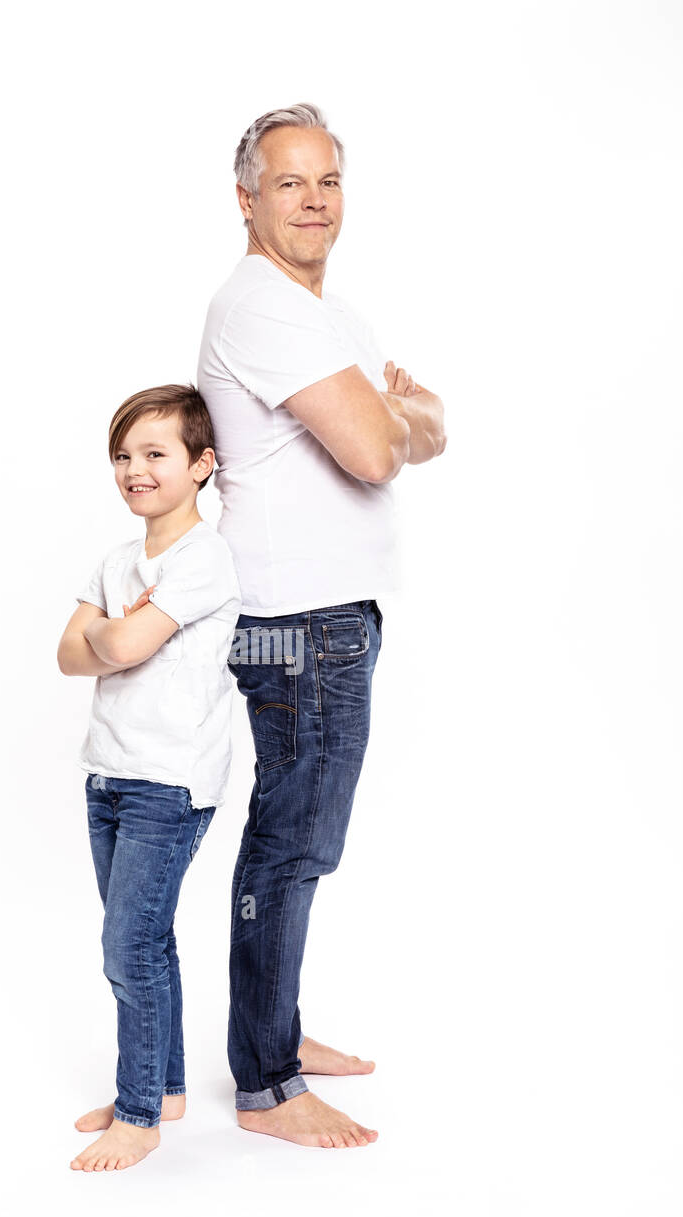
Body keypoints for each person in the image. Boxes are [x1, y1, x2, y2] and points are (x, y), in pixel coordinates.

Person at [197, 103, 448, 1148]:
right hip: (295, 620)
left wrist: (404, 418)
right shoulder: (262, 308)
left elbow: (422, 425)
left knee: (298, 842)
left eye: (326, 181)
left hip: (333, 615)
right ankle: (264, 1083)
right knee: (290, 845)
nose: (311, 201)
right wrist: (399, 418)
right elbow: (384, 446)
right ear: (246, 198)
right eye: (289, 183)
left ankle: (277, 1037)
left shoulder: (329, 314)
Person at [57, 384, 241, 1172]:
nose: (135, 469)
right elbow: (71, 654)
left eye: (156, 454)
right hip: (108, 772)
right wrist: (115, 626)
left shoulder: (206, 557)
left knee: (126, 947)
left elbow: (123, 648)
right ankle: (161, 1087)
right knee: (147, 942)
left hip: (169, 780)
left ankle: (138, 1116)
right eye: (124, 456)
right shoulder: (116, 559)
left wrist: (112, 632)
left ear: (201, 466)